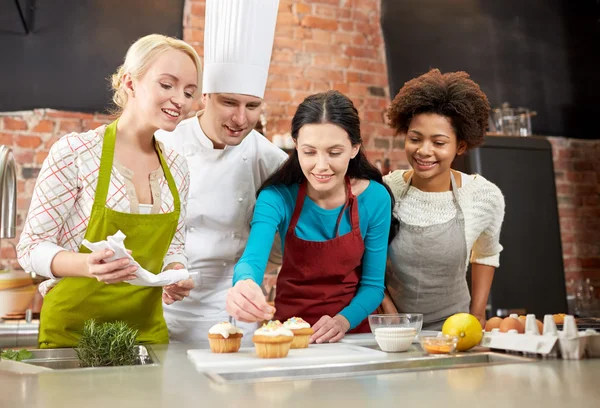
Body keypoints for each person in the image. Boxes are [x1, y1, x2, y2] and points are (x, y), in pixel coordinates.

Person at [16, 34, 200, 348]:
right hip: (74, 335)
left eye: (188, 91)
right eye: (167, 85)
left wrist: (175, 272)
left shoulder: (177, 167)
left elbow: (173, 247)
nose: (180, 100)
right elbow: (31, 248)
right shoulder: (77, 152)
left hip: (145, 334)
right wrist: (86, 265)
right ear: (130, 83)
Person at [156, 0, 288, 342]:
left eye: (252, 106)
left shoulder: (270, 159)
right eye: (229, 102)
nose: (241, 119)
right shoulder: (163, 144)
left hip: (232, 315)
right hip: (161, 308)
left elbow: (280, 243)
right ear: (205, 97)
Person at [227, 90, 398, 344]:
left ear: (354, 148)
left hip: (355, 336)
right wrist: (244, 283)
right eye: (309, 152)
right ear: (296, 146)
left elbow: (373, 286)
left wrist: (342, 321)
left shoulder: (375, 198)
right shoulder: (277, 197)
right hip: (291, 336)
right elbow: (251, 260)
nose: (320, 166)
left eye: (334, 152)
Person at [382, 69, 506, 330]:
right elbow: (364, 261)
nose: (424, 151)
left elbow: (485, 253)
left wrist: (477, 316)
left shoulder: (483, 196)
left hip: (455, 330)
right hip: (393, 330)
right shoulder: (385, 190)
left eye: (438, 142)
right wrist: (391, 316)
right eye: (415, 139)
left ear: (460, 146)